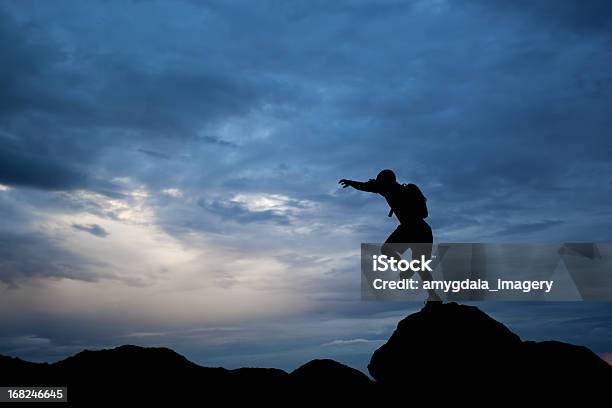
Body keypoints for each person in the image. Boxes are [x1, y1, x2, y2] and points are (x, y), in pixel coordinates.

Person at [339, 169, 441, 302]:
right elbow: (367, 186)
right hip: (412, 229)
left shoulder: (405, 190)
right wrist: (351, 183)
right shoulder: (387, 189)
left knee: (420, 267)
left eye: (381, 183)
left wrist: (407, 205)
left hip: (418, 230)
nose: (379, 186)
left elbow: (424, 214)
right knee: (390, 251)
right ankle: (411, 274)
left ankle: (432, 295)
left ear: (388, 182)